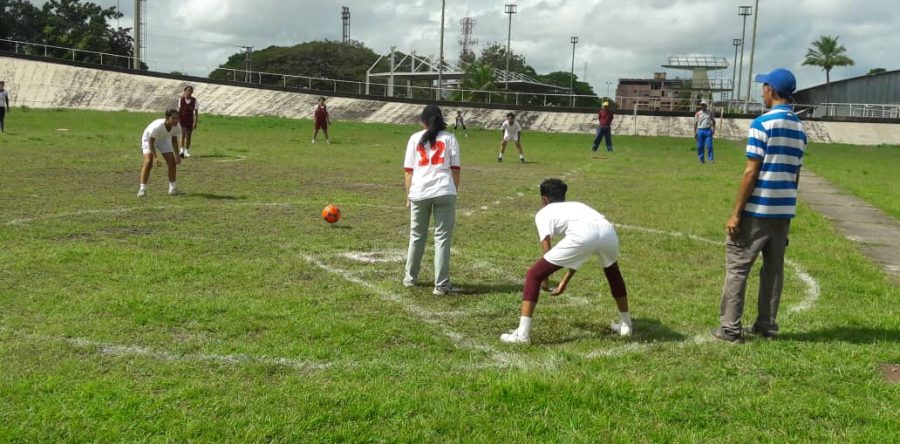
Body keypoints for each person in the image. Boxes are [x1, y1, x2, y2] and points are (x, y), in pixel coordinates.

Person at [712, 68, 807, 343]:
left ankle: (730, 328)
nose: (761, 92)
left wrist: (736, 213)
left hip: (757, 210)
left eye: (763, 87)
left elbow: (751, 172)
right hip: (783, 211)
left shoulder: (762, 124)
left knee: (738, 267)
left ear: (772, 91)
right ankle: (766, 325)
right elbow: (796, 173)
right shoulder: (800, 129)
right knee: (773, 270)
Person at [501, 178, 632, 344]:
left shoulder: (544, 212)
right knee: (613, 273)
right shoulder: (578, 205)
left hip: (584, 234)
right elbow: (584, 247)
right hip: (607, 230)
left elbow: (546, 242)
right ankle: (626, 326)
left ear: (544, 200)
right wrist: (564, 280)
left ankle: (522, 335)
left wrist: (545, 278)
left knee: (533, 274)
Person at [403, 104, 462, 296]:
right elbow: (455, 170)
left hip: (419, 191)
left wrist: (408, 196)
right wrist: (453, 191)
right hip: (444, 190)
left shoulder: (414, 139)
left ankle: (410, 278)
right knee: (442, 238)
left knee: (417, 236)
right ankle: (441, 284)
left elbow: (409, 172)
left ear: (423, 121)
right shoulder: (450, 138)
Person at [138, 109, 184, 197]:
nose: (176, 120)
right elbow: (151, 142)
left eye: (177, 118)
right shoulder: (158, 126)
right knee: (148, 162)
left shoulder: (177, 126)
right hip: (149, 139)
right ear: (167, 118)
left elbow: (174, 140)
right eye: (173, 118)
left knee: (172, 162)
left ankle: (172, 189)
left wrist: (177, 155)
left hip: (163, 139)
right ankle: (142, 189)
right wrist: (156, 158)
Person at [178, 85, 199, 158]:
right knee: (183, 135)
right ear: (185, 91)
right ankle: (181, 151)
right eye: (187, 90)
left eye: (190, 91)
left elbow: (196, 113)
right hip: (182, 119)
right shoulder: (181, 99)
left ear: (192, 92)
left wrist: (195, 122)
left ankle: (186, 151)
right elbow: (179, 110)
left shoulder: (194, 100)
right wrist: (177, 120)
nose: (189, 92)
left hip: (190, 120)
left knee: (189, 136)